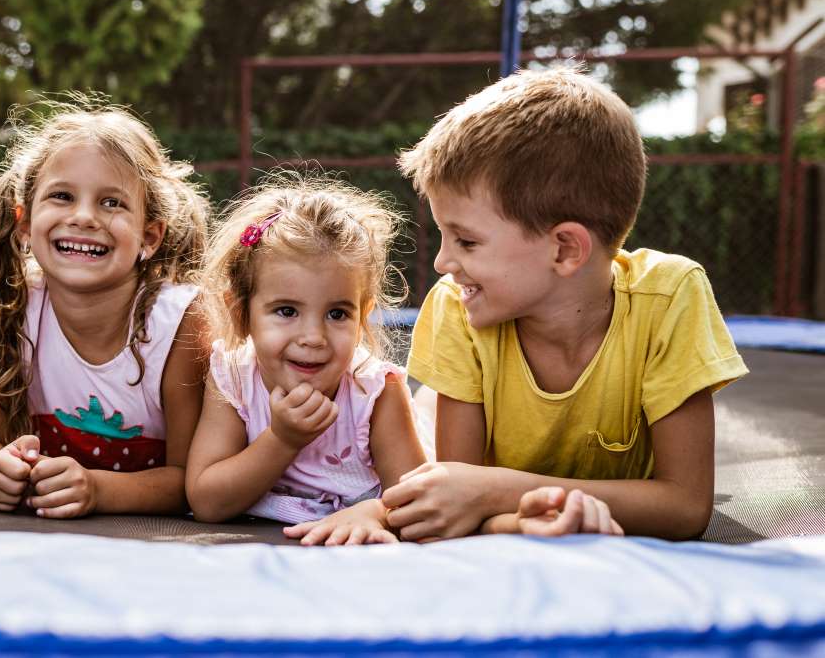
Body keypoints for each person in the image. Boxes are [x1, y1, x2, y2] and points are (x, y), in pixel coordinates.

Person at [384, 66, 749, 541]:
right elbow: (457, 501)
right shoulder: (456, 308)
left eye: (466, 241)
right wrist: (519, 515)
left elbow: (685, 507)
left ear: (564, 250)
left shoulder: (669, 297)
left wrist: (500, 490)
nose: (442, 262)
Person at [186, 175, 622, 545]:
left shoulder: (374, 393)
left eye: (338, 313)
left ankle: (529, 513)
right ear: (241, 312)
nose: (313, 337)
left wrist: (373, 514)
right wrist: (282, 439)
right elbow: (206, 501)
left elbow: (419, 499)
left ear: (363, 317)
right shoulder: (234, 377)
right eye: (286, 311)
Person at [0, 99, 209, 519]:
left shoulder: (179, 323)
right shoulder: (18, 308)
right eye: (61, 196)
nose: (84, 217)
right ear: (24, 223)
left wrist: (98, 489)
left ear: (149, 236)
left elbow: (189, 480)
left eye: (112, 203)